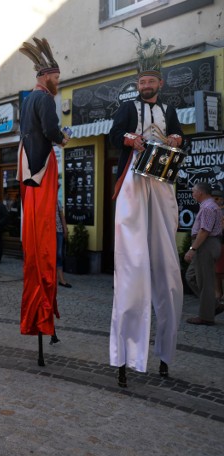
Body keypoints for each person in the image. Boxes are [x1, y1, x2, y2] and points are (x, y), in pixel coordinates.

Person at [108, 34, 184, 386]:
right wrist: (131, 139)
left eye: (150, 81)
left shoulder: (169, 110)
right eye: (141, 81)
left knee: (168, 272)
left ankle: (165, 353)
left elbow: (183, 137)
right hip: (134, 185)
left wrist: (176, 139)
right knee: (132, 265)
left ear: (159, 83)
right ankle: (126, 356)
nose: (145, 85)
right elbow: (112, 137)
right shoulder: (127, 107)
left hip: (162, 182)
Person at [17, 37, 69, 338]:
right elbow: (50, 130)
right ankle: (42, 305)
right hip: (41, 167)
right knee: (44, 237)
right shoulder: (45, 99)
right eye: (55, 78)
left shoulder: (27, 100)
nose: (58, 82)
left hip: (28, 167)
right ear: (43, 77)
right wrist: (63, 138)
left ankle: (40, 307)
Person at [184, 183, 223, 325]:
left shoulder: (208, 207)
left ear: (200, 192)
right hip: (206, 244)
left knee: (204, 281)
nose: (192, 194)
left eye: (194, 191)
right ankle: (213, 305)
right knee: (191, 276)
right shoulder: (209, 206)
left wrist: (192, 249)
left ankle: (206, 317)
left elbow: (204, 231)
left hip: (206, 244)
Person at [56, 193, 71, 287]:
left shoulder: (57, 202)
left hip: (59, 231)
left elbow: (62, 216)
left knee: (59, 254)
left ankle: (61, 279)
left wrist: (65, 229)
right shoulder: (44, 202)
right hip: (48, 233)